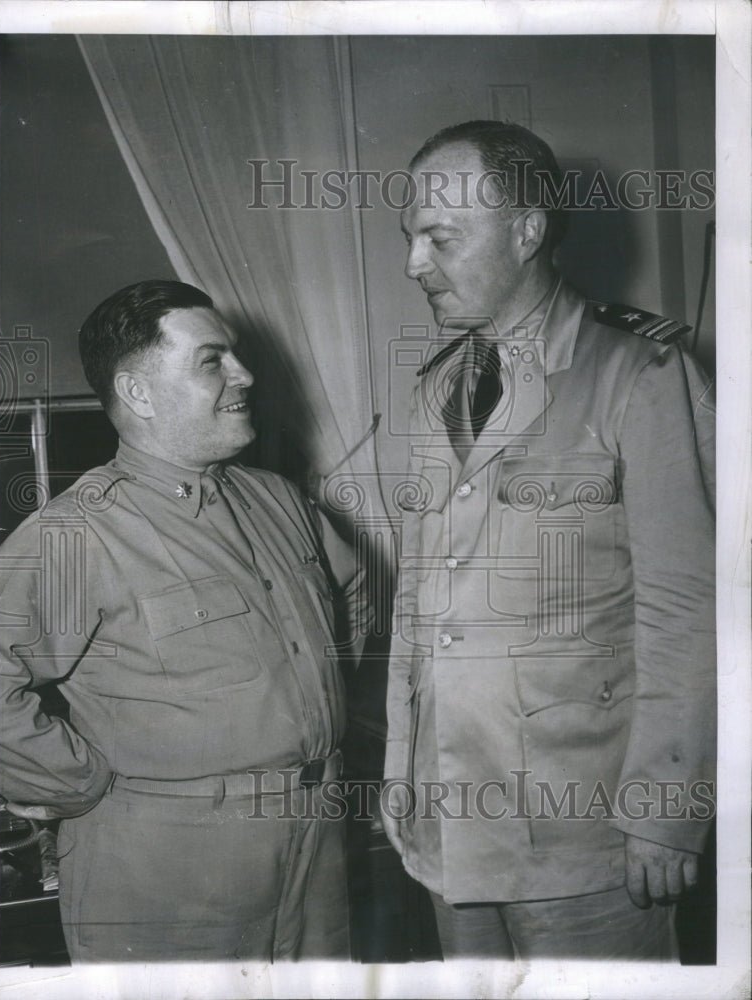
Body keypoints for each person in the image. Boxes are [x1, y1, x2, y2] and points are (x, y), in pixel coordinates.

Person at [382, 120, 716, 960]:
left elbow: (690, 610)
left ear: (527, 230)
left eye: (440, 237)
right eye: (410, 238)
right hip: (451, 819)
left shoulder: (639, 375)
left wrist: (668, 812)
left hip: (585, 831)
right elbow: (415, 606)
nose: (414, 265)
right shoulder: (436, 392)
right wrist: (401, 771)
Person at [0, 279, 366, 962]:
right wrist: (75, 781)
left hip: (315, 844)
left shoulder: (277, 499)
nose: (244, 375)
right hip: (170, 867)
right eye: (212, 360)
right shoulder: (77, 534)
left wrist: (311, 702)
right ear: (137, 392)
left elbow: (354, 593)